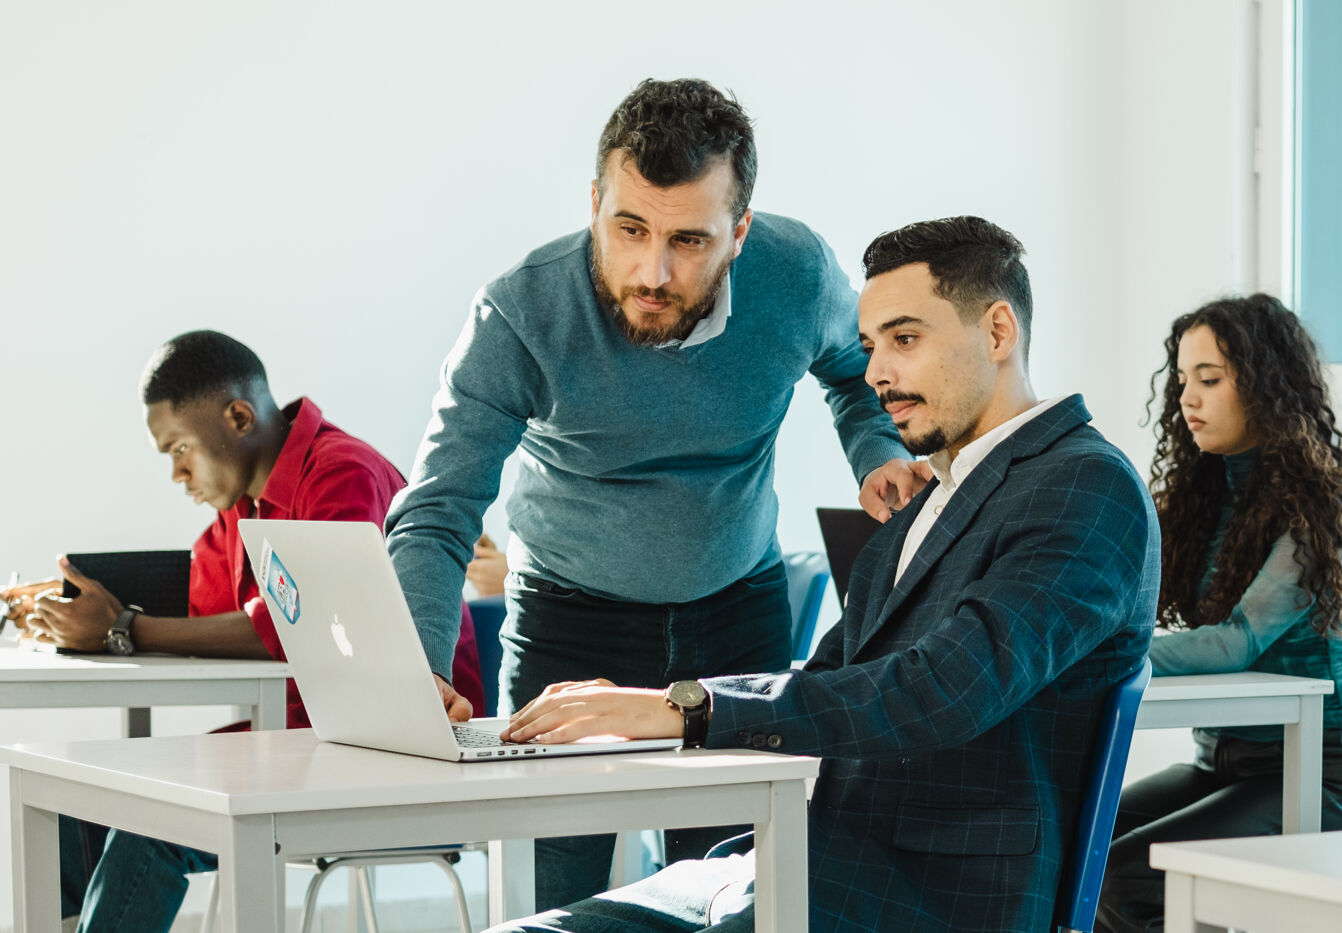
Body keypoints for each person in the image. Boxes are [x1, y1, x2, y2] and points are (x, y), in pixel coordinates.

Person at [482, 216, 1161, 932]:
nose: (874, 375)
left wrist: (688, 705)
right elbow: (830, 674)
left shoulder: (1085, 488)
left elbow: (944, 688)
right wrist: (639, 709)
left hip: (916, 900)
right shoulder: (936, 494)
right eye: (870, 347)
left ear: (997, 332)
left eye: (905, 339)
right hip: (809, 867)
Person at [384, 77, 922, 906]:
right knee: (545, 895)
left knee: (729, 894)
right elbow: (436, 509)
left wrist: (876, 452)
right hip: (568, 625)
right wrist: (416, 665)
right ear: (594, 201)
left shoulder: (797, 273)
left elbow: (856, 373)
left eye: (690, 240)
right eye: (628, 228)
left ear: (740, 231)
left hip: (737, 614)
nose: (653, 270)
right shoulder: (520, 311)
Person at [7, 330, 484, 933]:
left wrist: (124, 628)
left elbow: (289, 628)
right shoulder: (239, 508)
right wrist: (81, 609)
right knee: (76, 806)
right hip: (296, 738)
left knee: (150, 821)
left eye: (179, 448)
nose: (177, 473)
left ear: (237, 416)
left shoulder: (342, 475)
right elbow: (201, 617)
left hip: (392, 749)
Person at [1095, 295, 1342, 933]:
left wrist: (1100, 651)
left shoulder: (1320, 506)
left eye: (1209, 379)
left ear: (1267, 387)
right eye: (1182, 382)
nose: (1187, 399)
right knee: (1076, 838)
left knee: (1123, 873)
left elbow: (1235, 643)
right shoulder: (1199, 496)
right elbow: (1125, 606)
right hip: (1220, 766)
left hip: (1324, 776)